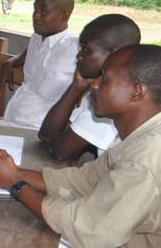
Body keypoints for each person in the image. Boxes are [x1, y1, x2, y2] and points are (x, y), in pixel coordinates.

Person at [0, 44, 161, 247]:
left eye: (105, 79)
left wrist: (15, 185)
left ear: (137, 92)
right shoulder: (141, 135)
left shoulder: (144, 159)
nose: (94, 84)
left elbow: (89, 230)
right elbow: (87, 180)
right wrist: (16, 173)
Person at [39, 14, 141, 160]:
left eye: (86, 50)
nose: (78, 56)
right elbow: (47, 136)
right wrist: (76, 87)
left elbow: (60, 152)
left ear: (115, 54)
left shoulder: (116, 98)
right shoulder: (98, 88)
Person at [0, 0, 78, 129]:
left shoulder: (77, 49)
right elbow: (25, 56)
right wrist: (11, 62)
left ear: (64, 16)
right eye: (35, 10)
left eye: (44, 12)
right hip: (11, 119)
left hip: (39, 129)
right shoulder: (36, 38)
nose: (36, 16)